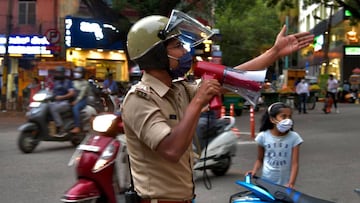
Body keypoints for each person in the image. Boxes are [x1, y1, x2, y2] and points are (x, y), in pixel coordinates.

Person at [121, 11, 313, 202]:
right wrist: (198, 102)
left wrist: (274, 52)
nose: (185, 52)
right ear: (157, 55)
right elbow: (171, 150)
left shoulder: (178, 89)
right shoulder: (139, 99)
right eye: (178, 46)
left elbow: (233, 77)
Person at [246, 102, 303, 188]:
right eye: (283, 116)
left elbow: (295, 164)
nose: (288, 120)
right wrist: (254, 171)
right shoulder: (263, 136)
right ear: (272, 119)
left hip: (285, 185)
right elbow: (259, 159)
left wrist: (291, 183)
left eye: (289, 117)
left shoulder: (294, 137)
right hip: (266, 182)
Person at [49, 66, 76, 135]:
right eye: (57, 73)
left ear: (63, 73)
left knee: (54, 108)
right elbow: (51, 91)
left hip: (66, 102)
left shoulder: (68, 82)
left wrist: (62, 97)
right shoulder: (56, 82)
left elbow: (72, 93)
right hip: (56, 102)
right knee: (47, 106)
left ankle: (61, 127)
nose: (58, 74)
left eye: (59, 73)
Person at [70, 67, 89, 134]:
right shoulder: (72, 82)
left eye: (79, 72)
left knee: (75, 108)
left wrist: (76, 101)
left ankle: (77, 126)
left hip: (82, 100)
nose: (76, 74)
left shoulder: (85, 83)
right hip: (73, 99)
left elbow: (82, 94)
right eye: (76, 72)